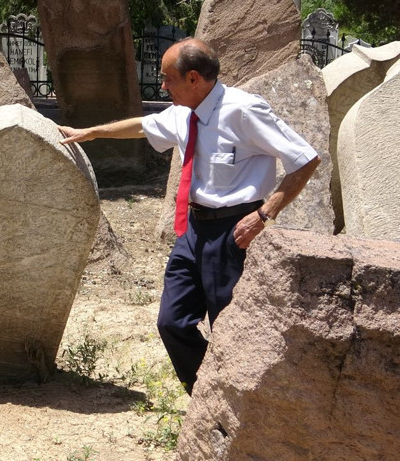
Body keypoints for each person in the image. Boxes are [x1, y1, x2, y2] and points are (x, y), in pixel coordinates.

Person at [58, 38, 320, 395]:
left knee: (229, 326)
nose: (163, 86)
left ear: (193, 78)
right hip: (193, 230)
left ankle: (237, 404)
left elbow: (304, 159)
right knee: (172, 322)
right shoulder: (185, 111)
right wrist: (91, 133)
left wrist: (264, 214)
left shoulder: (244, 110)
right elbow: (142, 126)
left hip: (235, 231)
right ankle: (206, 396)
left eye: (168, 78)